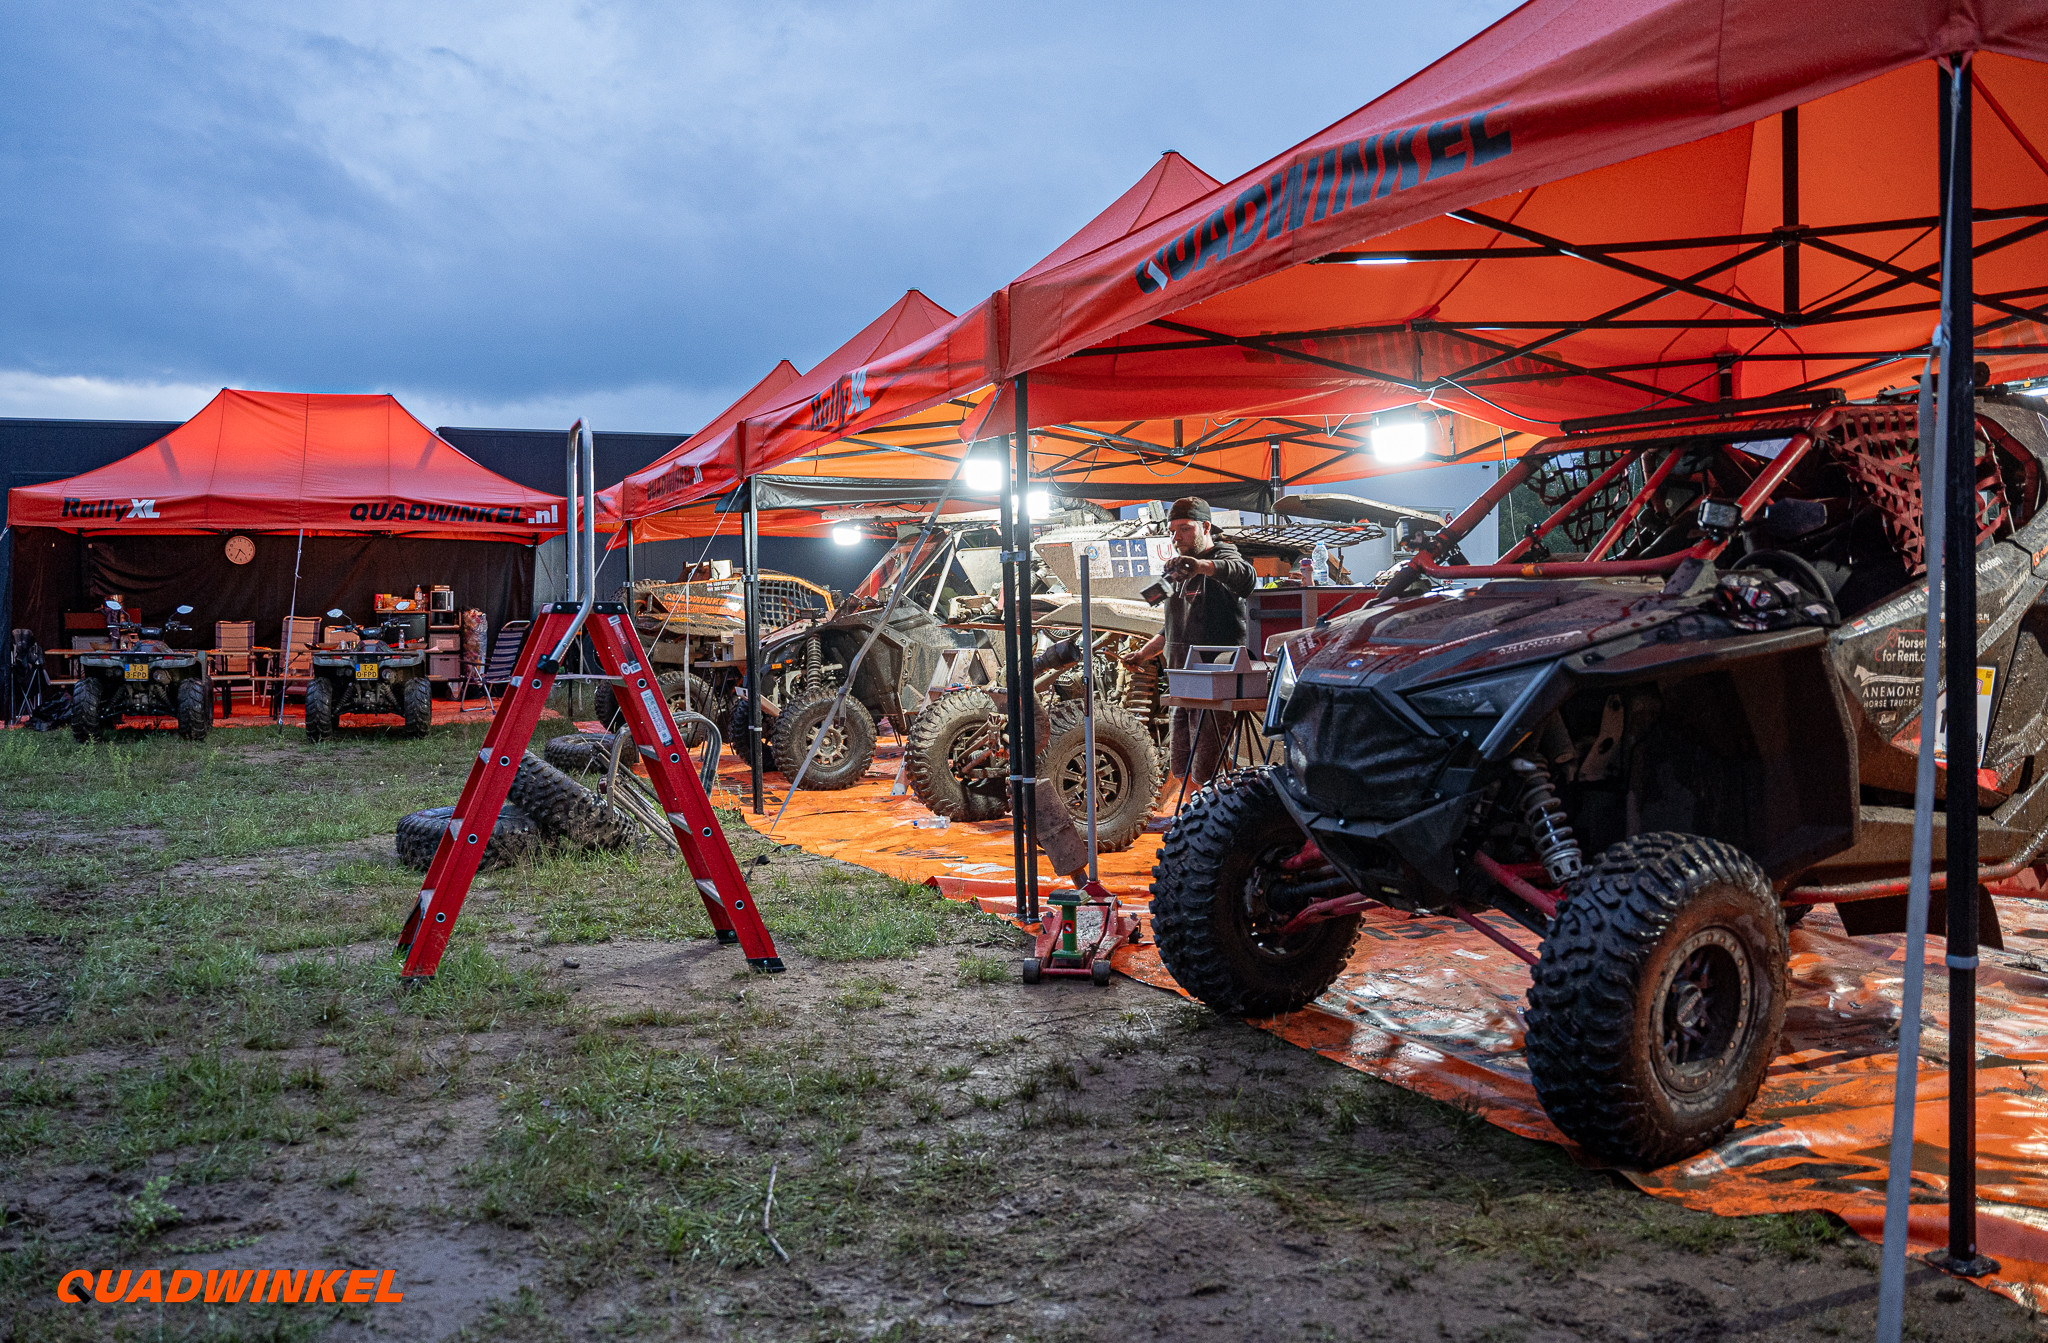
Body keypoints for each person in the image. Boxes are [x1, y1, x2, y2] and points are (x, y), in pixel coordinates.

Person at [1123, 497, 1256, 795]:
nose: (1177, 537)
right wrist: (1143, 654)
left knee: (1209, 770)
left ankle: (1212, 816)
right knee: (1182, 768)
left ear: (1205, 527)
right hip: (1182, 683)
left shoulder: (1224, 556)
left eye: (1185, 528)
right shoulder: (1178, 571)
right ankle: (1193, 816)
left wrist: (1201, 566)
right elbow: (1170, 626)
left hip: (1214, 686)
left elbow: (1246, 577)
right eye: (1173, 531)